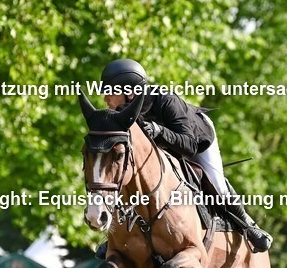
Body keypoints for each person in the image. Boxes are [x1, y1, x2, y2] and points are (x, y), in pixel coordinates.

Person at [98, 58, 272, 253]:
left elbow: (188, 146)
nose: (105, 98)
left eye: (109, 92)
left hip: (197, 139)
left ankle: (248, 227)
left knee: (216, 184)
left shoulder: (165, 99)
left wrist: (159, 131)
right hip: (165, 148)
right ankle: (117, 236)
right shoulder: (123, 113)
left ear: (129, 92)